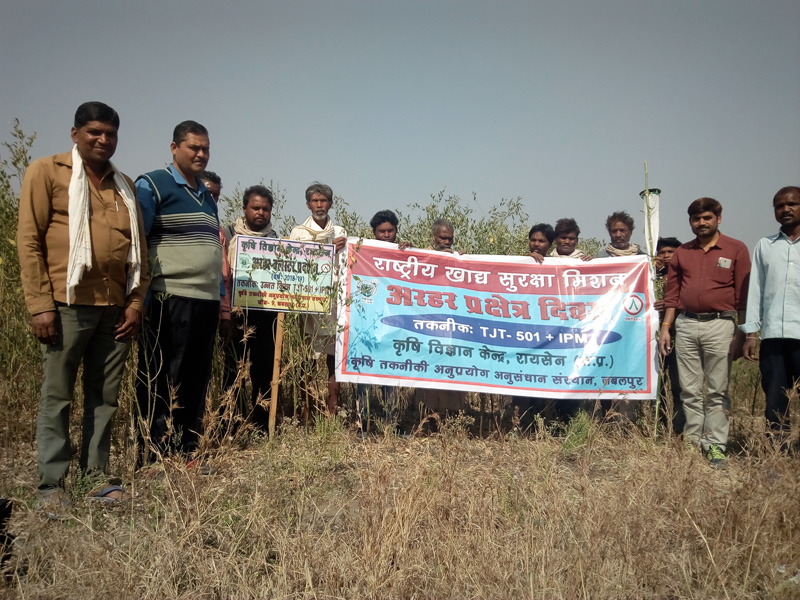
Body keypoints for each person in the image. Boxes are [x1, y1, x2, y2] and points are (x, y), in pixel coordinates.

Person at [17, 101, 148, 507]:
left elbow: (139, 251)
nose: (103, 140)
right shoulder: (46, 172)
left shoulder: (123, 185)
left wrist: (135, 303)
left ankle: (95, 477)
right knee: (58, 395)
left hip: (116, 308)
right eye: (95, 132)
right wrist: (40, 305)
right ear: (75, 134)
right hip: (66, 304)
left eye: (110, 133)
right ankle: (52, 484)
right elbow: (29, 241)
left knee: (104, 397)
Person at [135, 120, 223, 462]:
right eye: (193, 148)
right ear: (174, 148)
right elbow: (138, 243)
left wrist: (219, 295)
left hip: (206, 300)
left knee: (196, 376)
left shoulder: (206, 195)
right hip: (169, 296)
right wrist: (140, 298)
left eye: (205, 149)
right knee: (162, 374)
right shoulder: (153, 185)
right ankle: (153, 452)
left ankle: (187, 449)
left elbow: (212, 249)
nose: (201, 154)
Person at [658, 198, 750, 467]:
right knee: (689, 389)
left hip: (721, 324)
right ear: (690, 222)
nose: (701, 223)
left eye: (707, 218)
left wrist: (743, 331)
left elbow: (743, 296)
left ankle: (715, 445)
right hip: (686, 324)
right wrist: (666, 328)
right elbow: (672, 295)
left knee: (717, 390)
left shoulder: (736, 249)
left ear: (718, 219)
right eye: (696, 219)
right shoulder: (682, 252)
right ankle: (693, 440)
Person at [741, 186, 800, 444]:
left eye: (792, 204)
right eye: (779, 205)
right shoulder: (765, 245)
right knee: (775, 399)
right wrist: (751, 333)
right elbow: (757, 290)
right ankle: (778, 451)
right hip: (773, 336)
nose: (785, 209)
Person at [222, 185, 279, 429]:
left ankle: (261, 423)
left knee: (263, 369)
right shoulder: (228, 235)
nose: (260, 213)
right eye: (255, 208)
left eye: (265, 209)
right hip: (235, 313)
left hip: (266, 313)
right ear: (245, 208)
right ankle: (229, 423)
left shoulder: (276, 240)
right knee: (232, 369)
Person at [289, 183, 347, 416]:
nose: (319, 205)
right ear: (308, 204)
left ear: (330, 204)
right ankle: (307, 410)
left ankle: (332, 411)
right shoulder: (299, 233)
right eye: (315, 201)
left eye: (323, 200)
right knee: (308, 359)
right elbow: (299, 263)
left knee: (334, 359)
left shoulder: (340, 231)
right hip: (310, 303)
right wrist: (327, 249)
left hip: (334, 303)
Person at [417, 219, 468, 414]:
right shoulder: (421, 257)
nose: (446, 242)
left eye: (450, 238)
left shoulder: (458, 259)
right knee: (429, 371)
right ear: (433, 237)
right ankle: (427, 417)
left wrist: (463, 262)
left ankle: (452, 417)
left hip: (452, 327)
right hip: (427, 326)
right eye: (442, 238)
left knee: (451, 369)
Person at [654, 237, 684, 434]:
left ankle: (680, 428)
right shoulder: (651, 276)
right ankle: (660, 424)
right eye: (662, 252)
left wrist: (670, 304)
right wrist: (652, 271)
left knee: (679, 385)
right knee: (657, 385)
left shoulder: (684, 275)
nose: (666, 256)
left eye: (671, 252)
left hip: (678, 335)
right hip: (653, 336)